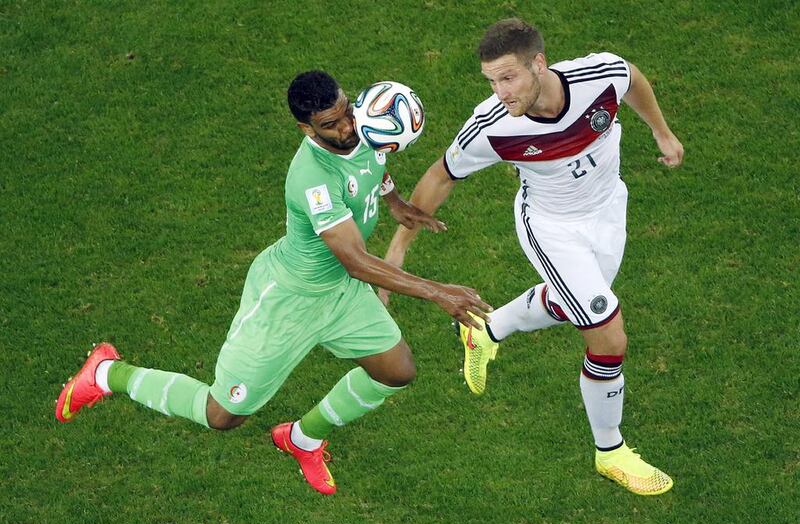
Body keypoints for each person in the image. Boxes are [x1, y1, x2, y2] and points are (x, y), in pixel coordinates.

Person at [55, 70, 491, 496]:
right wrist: (439, 292)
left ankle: (301, 439)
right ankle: (108, 373)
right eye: (330, 125)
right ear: (306, 128)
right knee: (223, 414)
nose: (345, 129)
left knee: (396, 372)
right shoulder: (311, 177)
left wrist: (393, 201)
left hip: (338, 292)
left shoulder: (365, 125)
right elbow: (357, 261)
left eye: (345, 114)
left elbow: (374, 165)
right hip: (290, 299)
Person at [380, 18, 683, 495]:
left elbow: (631, 77)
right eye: (491, 81)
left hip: (608, 212)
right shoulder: (493, 126)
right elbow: (441, 175)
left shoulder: (597, 77)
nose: (500, 91)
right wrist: (398, 248)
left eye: (508, 77)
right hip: (551, 229)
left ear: (538, 64)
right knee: (607, 332)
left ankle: (485, 329)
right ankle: (611, 451)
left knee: (572, 305)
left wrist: (661, 131)